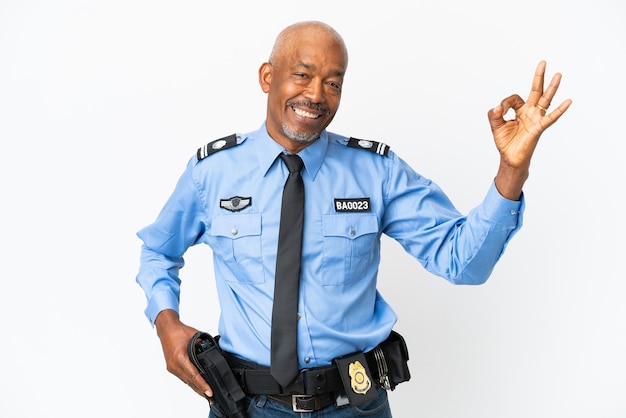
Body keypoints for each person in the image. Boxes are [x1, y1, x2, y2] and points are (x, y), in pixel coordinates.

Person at [136, 20, 571, 417]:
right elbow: (159, 249)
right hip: (247, 406)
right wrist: (166, 323)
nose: (316, 95)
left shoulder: (376, 172)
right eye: (303, 75)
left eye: (333, 83)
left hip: (353, 406)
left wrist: (512, 170)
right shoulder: (213, 172)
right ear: (268, 77)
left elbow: (463, 262)